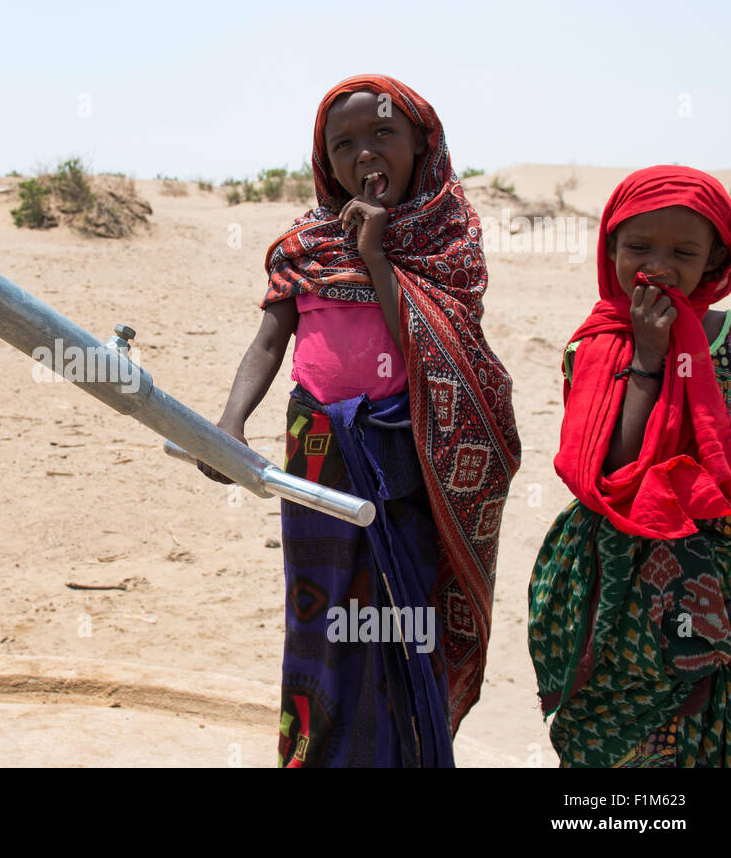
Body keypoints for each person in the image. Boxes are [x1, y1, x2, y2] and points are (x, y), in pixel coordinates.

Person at [199, 75, 520, 766]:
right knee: (320, 614)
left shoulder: (447, 242)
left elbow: (437, 346)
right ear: (324, 161)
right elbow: (267, 342)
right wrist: (229, 423)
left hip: (405, 448)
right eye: (343, 143)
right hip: (317, 444)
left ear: (420, 145)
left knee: (403, 618)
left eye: (383, 134)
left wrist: (377, 255)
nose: (364, 154)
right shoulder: (303, 246)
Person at [530, 165, 731, 767]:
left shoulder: (729, 341)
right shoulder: (596, 346)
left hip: (718, 561)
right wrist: (648, 355)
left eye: (684, 252)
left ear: (715, 261)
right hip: (615, 576)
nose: (660, 266)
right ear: (611, 249)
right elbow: (615, 469)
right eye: (639, 247)